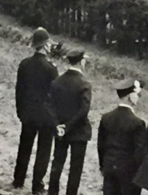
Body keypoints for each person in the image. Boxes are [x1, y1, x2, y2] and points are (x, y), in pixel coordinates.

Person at [13, 28, 58, 194]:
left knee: (24, 146)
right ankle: (37, 184)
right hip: (45, 115)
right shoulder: (51, 68)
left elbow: (19, 91)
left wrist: (20, 111)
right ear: (45, 45)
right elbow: (54, 95)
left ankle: (18, 178)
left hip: (28, 113)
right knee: (43, 150)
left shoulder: (24, 64)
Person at [47, 48, 92, 195]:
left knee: (57, 162)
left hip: (60, 130)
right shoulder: (84, 84)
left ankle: (52, 192)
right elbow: (83, 110)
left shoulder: (57, 81)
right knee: (75, 168)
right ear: (81, 61)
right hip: (78, 131)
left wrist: (58, 125)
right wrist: (68, 126)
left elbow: (50, 106)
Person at [98, 78, 145, 195]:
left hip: (109, 167)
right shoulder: (137, 123)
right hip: (129, 172)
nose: (139, 97)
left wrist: (103, 165)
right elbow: (139, 151)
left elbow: (101, 146)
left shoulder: (106, 118)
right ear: (131, 96)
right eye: (137, 94)